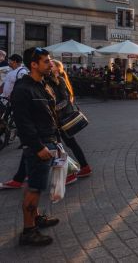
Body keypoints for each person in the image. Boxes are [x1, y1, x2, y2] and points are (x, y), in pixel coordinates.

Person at [12, 47, 61, 246]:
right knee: (34, 188)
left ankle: (36, 218)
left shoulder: (41, 84)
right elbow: (23, 123)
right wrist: (38, 146)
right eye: (46, 61)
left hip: (47, 140)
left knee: (35, 184)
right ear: (34, 64)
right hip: (38, 145)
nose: (51, 64)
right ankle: (28, 230)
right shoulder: (24, 89)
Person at [48, 60, 92, 181]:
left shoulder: (60, 80)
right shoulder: (50, 80)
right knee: (66, 144)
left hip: (61, 119)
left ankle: (74, 171)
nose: (49, 66)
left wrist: (53, 108)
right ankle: (83, 167)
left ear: (57, 68)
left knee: (63, 145)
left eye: (51, 65)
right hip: (57, 119)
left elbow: (65, 99)